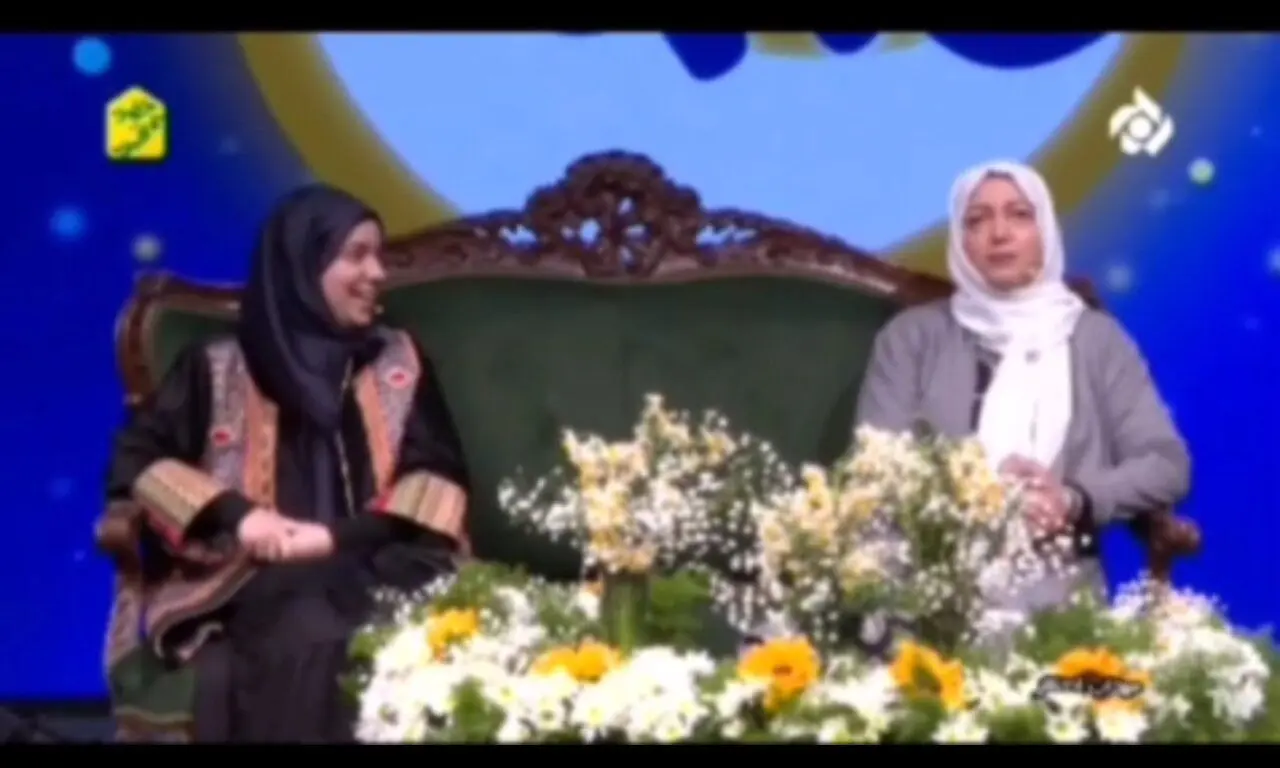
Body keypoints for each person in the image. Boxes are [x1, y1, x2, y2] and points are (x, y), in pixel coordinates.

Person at [97, 184, 470, 743]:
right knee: (306, 622)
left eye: (379, 255)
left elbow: (437, 476)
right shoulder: (216, 366)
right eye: (357, 255)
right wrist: (242, 518)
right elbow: (137, 462)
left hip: (379, 563)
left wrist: (332, 538)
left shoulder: (400, 360)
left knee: (346, 624)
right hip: (248, 574)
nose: (377, 273)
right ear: (302, 266)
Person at [855, 160, 1191, 613]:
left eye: (1019, 215)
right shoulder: (912, 338)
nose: (999, 233)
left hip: (1060, 602)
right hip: (933, 596)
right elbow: (876, 471)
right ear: (961, 241)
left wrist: (1073, 499)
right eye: (978, 220)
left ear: (1045, 232)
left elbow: (1166, 465)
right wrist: (981, 500)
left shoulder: (1096, 340)